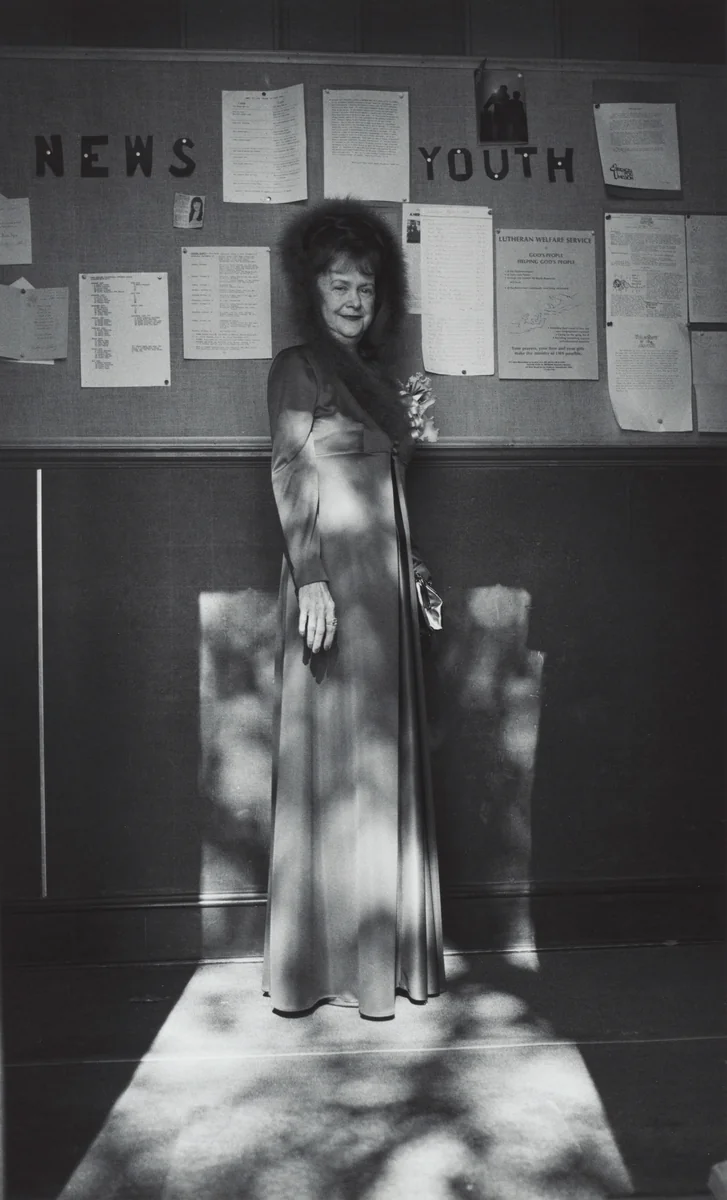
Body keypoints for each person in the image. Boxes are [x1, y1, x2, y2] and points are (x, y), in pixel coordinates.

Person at [263, 199, 445, 1019]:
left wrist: (411, 564)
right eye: (337, 284)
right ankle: (326, 967)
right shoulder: (297, 367)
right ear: (312, 289)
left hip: (383, 585)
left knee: (379, 762)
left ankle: (386, 962)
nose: (351, 299)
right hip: (329, 585)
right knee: (333, 767)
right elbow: (290, 474)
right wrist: (308, 578)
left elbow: (391, 487)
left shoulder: (384, 375)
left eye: (364, 286)